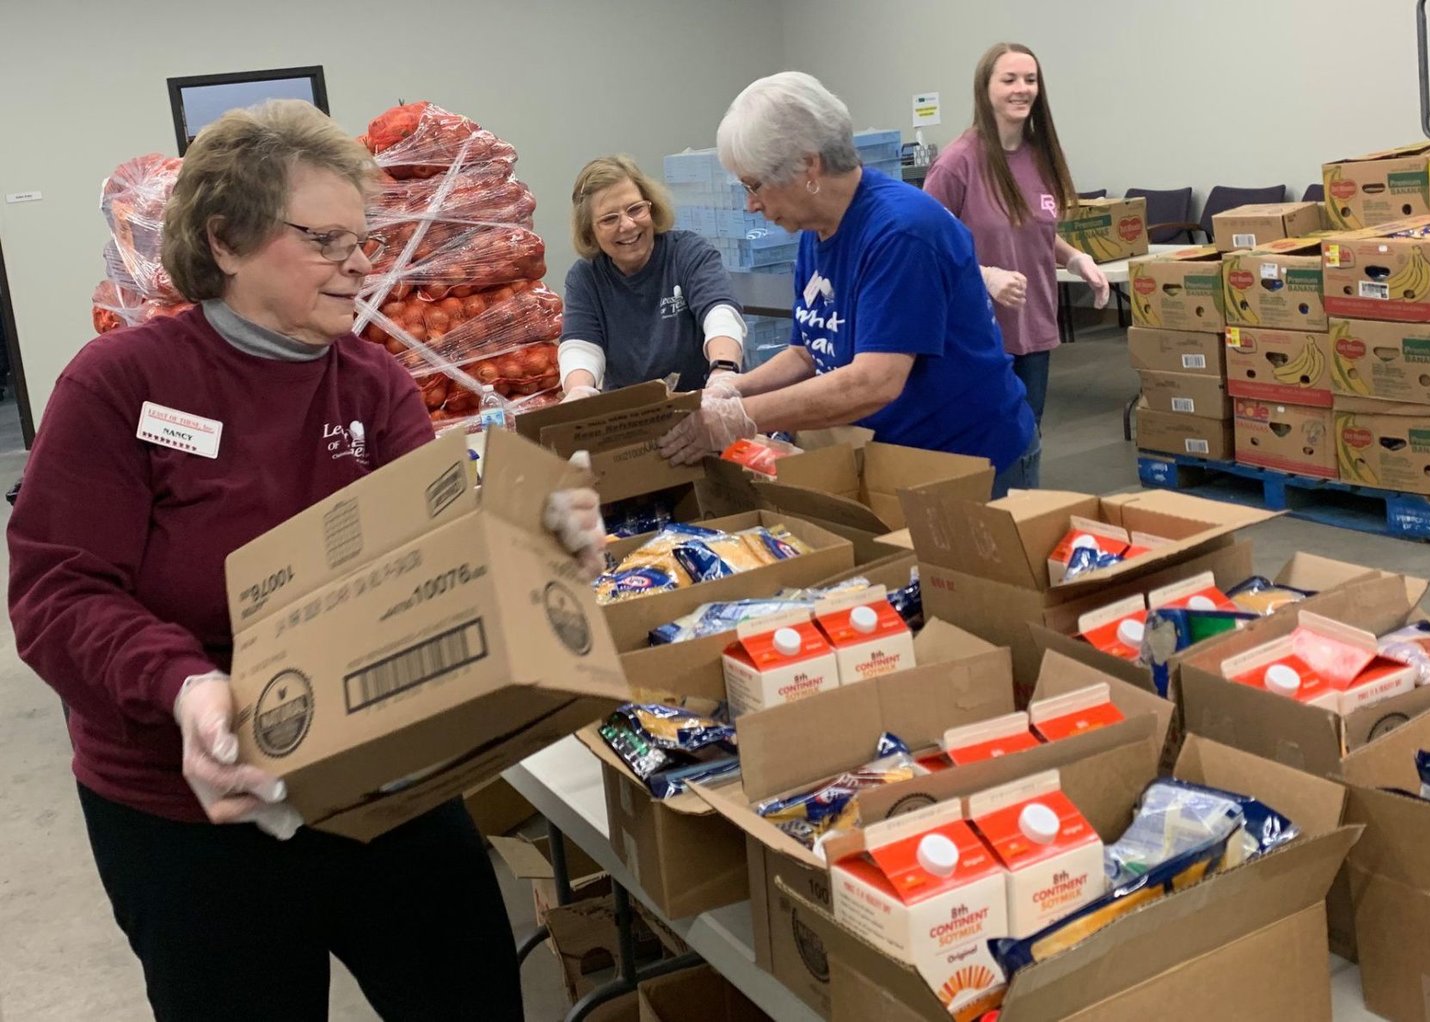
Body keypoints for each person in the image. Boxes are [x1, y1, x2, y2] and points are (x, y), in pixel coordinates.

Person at [7, 100, 605, 1022]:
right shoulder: (122, 384)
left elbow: (431, 546)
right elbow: (57, 593)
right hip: (190, 807)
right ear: (228, 241)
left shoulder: (372, 383)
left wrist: (532, 540)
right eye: (327, 239)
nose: (361, 263)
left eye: (363, 240)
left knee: (469, 991)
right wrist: (185, 686)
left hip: (374, 770)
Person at [659, 72, 1037, 496]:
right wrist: (730, 389)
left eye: (754, 184)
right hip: (892, 457)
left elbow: (873, 381)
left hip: (967, 461)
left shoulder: (902, 232)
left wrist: (745, 416)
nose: (751, 203)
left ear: (808, 166)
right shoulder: (816, 229)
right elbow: (806, 353)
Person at [923, 41, 1110, 432]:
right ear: (985, 89)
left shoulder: (1041, 157)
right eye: (1009, 79)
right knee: (987, 443)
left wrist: (1075, 258)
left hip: (1035, 328)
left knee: (1028, 435)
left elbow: (1034, 231)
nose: (1021, 88)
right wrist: (985, 276)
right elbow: (923, 250)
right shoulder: (957, 164)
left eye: (1030, 79)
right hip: (977, 335)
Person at [560, 154, 747, 400]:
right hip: (632, 417)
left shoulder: (688, 252)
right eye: (609, 219)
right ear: (590, 231)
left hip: (703, 402)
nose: (627, 225)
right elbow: (581, 347)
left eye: (635, 209)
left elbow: (720, 314)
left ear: (652, 207)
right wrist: (580, 394)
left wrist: (723, 373)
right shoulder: (585, 279)